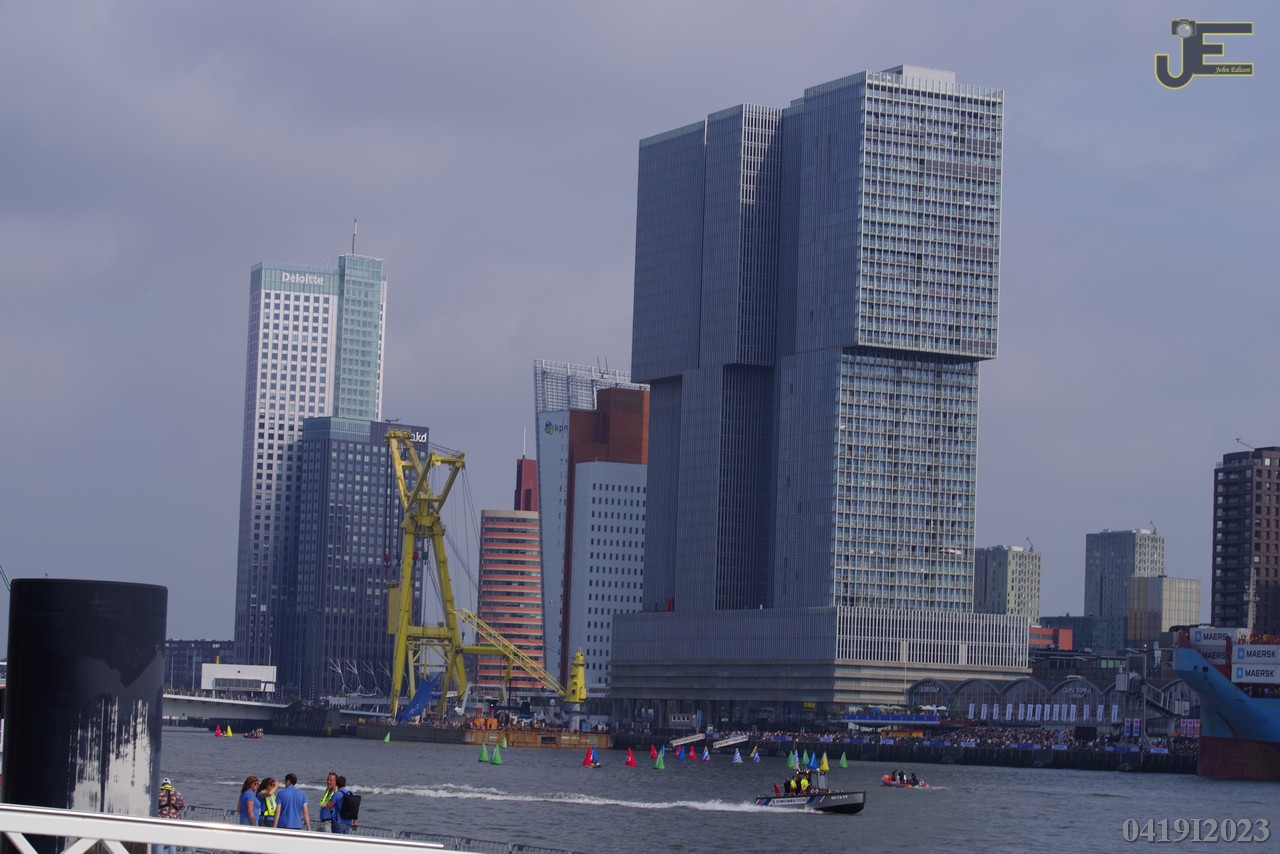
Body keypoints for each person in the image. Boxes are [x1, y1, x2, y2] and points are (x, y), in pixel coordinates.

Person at [154, 777, 185, 854]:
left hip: (162, 818)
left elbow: (153, 805)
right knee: (172, 842)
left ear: (162, 785)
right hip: (174, 819)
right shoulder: (177, 794)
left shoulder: (159, 794)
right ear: (170, 785)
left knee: (160, 841)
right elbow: (182, 806)